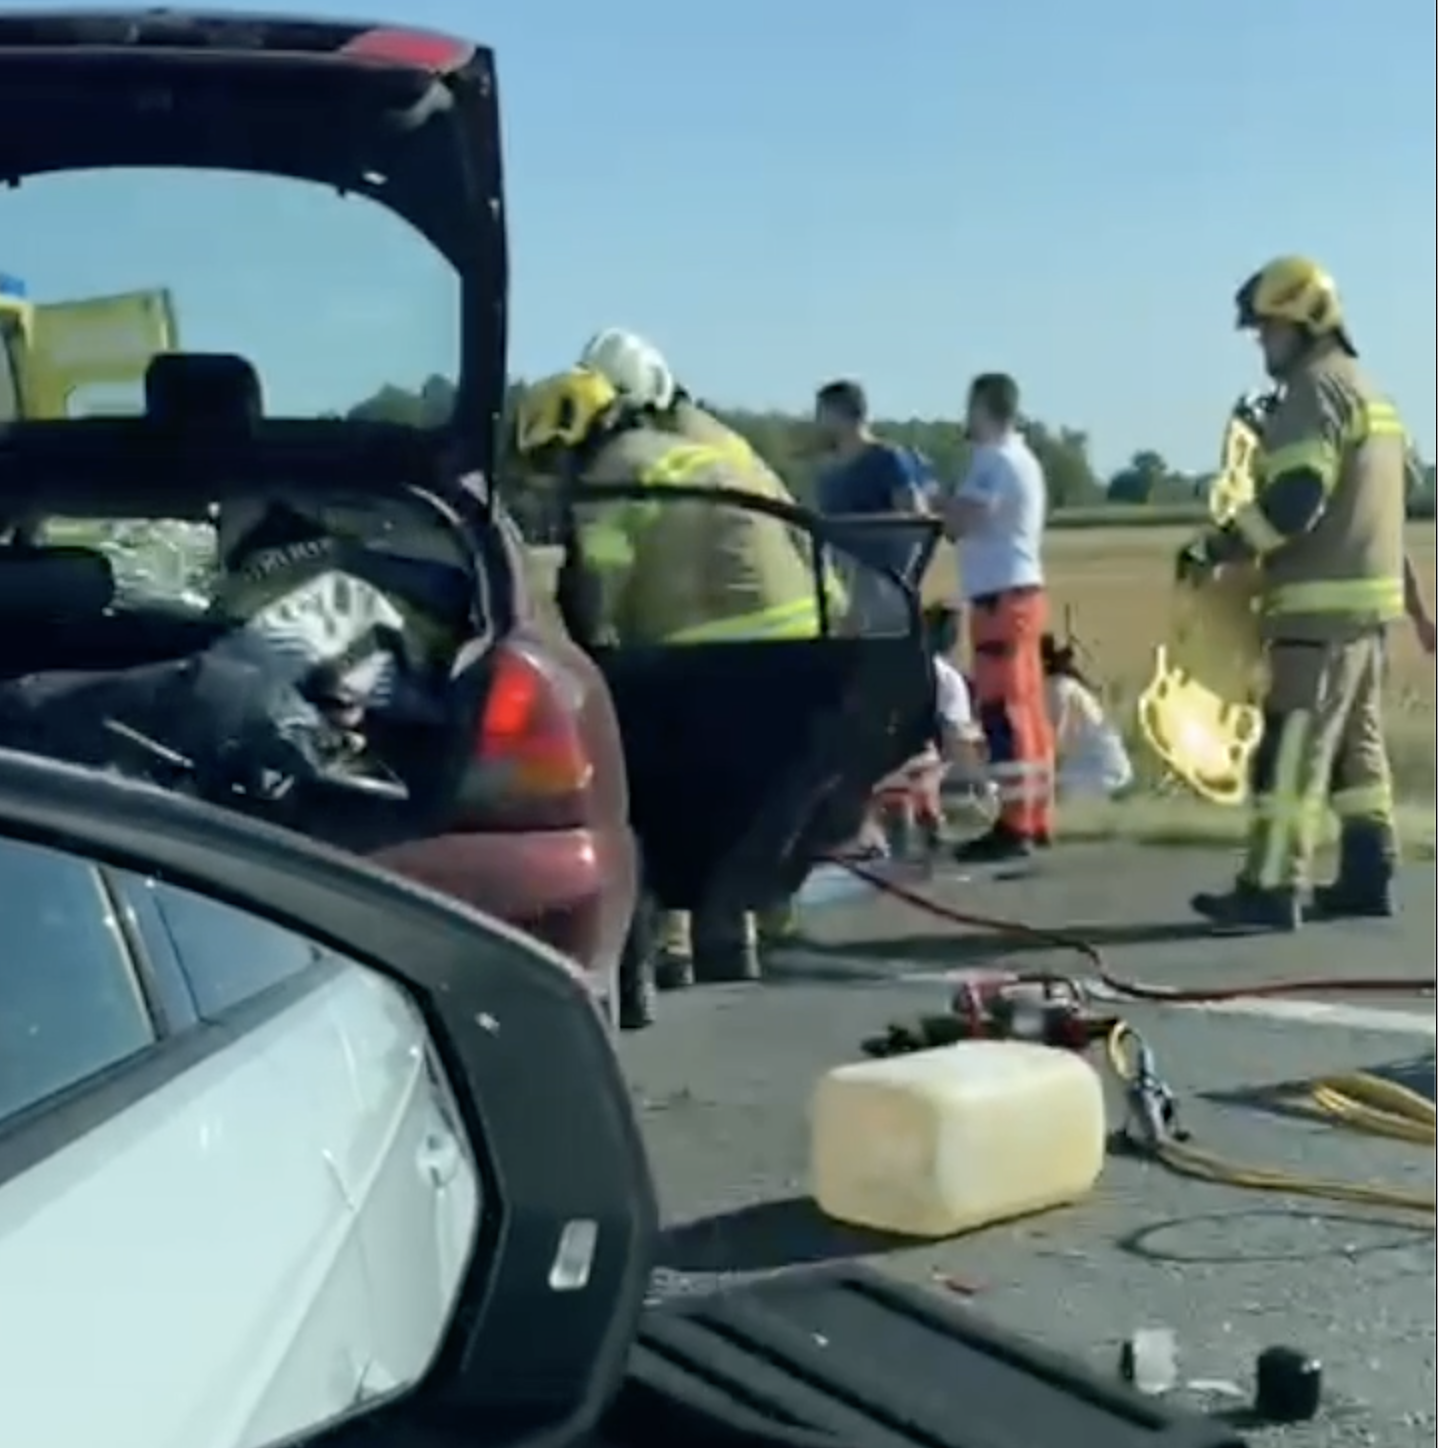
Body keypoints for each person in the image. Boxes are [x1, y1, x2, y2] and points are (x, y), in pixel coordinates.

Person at [513, 365, 822, 985]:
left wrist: (582, 654)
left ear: (571, 434)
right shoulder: (688, 450)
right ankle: (735, 939)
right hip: (793, 637)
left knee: (647, 783)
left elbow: (598, 585)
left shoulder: (609, 476)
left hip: (710, 643)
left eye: (549, 458)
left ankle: (671, 945)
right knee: (735, 791)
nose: (551, 477)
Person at [1181, 256, 1411, 930]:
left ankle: (1272, 887)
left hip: (1317, 611)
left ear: (1305, 323)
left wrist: (1217, 546)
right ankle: (1369, 874)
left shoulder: (1313, 393)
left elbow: (1296, 501)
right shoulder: (1371, 392)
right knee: (1357, 754)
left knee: (1291, 751)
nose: (1261, 343)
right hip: (1369, 613)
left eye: (1268, 329)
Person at [941, 372, 1054, 861]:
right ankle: (1034, 814)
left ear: (983, 408)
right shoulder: (1022, 459)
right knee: (1027, 708)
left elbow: (961, 521)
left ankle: (1013, 825)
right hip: (1021, 591)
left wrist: (932, 502)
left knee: (1002, 711)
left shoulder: (992, 461)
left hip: (997, 597)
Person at [1041, 634, 1133, 799]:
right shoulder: (1064, 686)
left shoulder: (1058, 688)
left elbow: (1053, 746)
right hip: (1103, 769)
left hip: (1098, 772)